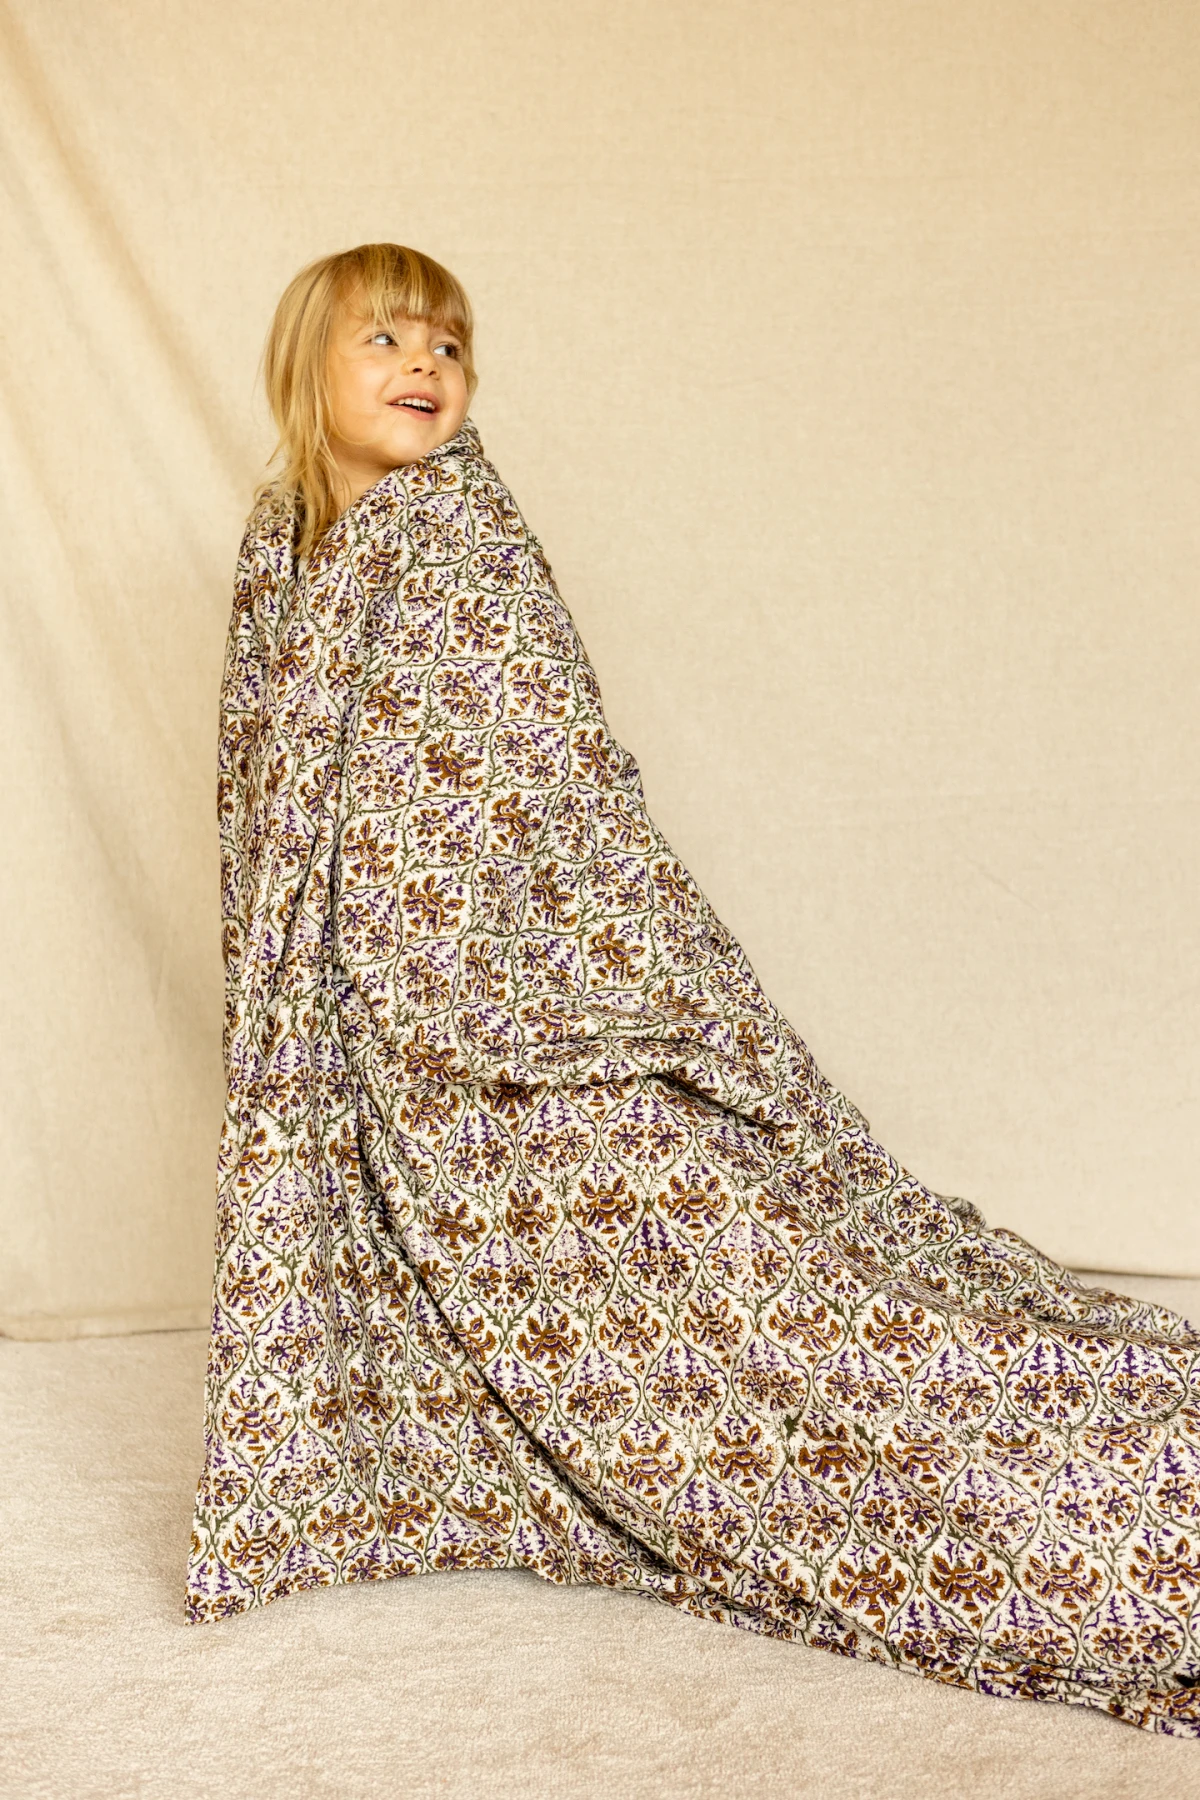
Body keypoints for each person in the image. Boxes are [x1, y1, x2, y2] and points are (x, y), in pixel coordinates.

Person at [188, 242, 1200, 1737]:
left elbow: (543, 783)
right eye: (388, 339)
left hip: (518, 1013)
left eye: (450, 346)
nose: (427, 367)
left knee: (764, 1290)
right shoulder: (284, 550)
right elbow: (259, 795)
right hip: (360, 1017)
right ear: (305, 368)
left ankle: (1112, 1499)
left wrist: (471, 1001)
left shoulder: (462, 537)